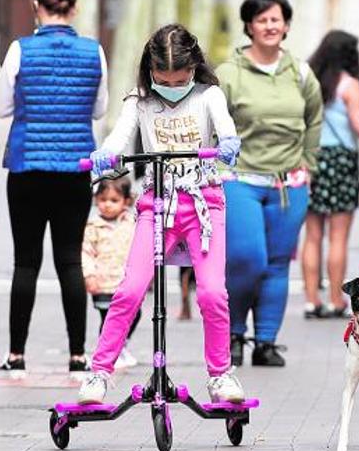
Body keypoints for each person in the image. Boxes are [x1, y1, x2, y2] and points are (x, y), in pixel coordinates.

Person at [76, 24, 245, 406]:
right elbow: (119, 137)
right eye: (162, 79)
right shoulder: (139, 101)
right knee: (130, 290)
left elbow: (226, 129)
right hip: (157, 205)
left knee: (213, 293)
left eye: (179, 79)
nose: (171, 87)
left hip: (204, 203)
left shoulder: (209, 96)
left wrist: (229, 144)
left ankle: (220, 374)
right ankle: (99, 373)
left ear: (193, 69)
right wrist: (107, 156)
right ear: (150, 71)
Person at [0, 0, 108, 379]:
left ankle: (17, 355)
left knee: (26, 263)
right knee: (70, 261)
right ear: (73, 7)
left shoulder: (19, 50)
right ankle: (78, 355)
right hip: (75, 168)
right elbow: (98, 110)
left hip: (27, 167)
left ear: (35, 6)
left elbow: (0, 108)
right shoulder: (95, 52)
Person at [217, 0, 323, 368]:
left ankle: (265, 342)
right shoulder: (228, 73)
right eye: (262, 20)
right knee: (247, 259)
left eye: (276, 19)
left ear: (287, 25)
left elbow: (314, 117)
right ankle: (232, 334)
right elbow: (211, 121)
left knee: (278, 263)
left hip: (288, 183)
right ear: (249, 26)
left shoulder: (299, 71)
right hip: (238, 177)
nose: (270, 26)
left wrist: (308, 162)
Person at [301, 31, 359, 320]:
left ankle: (310, 300)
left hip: (311, 159)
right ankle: (335, 300)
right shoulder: (349, 84)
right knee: (338, 236)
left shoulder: (309, 80)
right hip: (341, 160)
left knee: (313, 235)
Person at [81, 175, 140, 369]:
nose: (107, 205)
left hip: (125, 283)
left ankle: (120, 346)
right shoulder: (92, 226)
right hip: (103, 283)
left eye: (114, 200)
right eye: (103, 199)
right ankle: (106, 353)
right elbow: (86, 253)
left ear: (126, 201)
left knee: (134, 315)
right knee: (108, 319)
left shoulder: (132, 222)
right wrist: (89, 275)